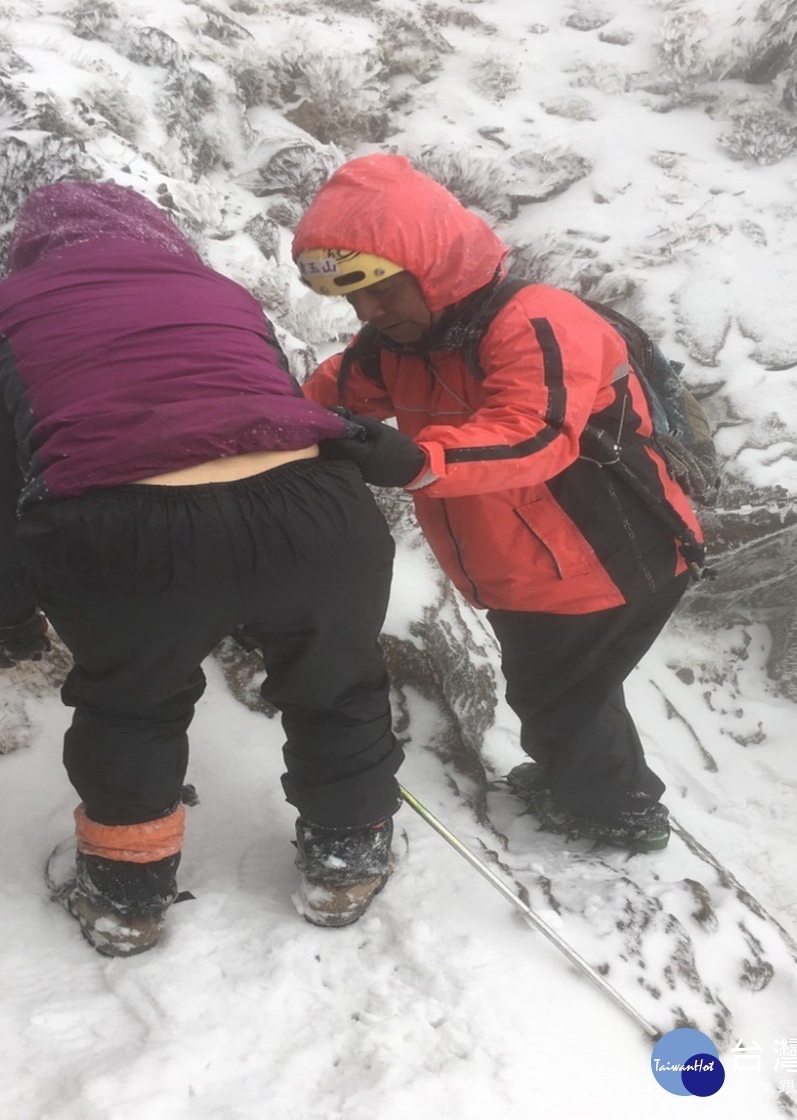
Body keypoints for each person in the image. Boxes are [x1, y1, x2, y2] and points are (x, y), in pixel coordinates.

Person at [0, 181, 403, 955]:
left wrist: (3, 615)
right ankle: (346, 864)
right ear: (155, 233)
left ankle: (127, 898)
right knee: (337, 684)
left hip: (123, 532)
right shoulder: (214, 288)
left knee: (131, 709)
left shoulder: (0, 312)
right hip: (315, 508)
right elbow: (261, 401)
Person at [292, 153, 703, 853]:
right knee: (571, 693)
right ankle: (603, 789)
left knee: (560, 702)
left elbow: (537, 432)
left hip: (604, 562)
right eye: (354, 298)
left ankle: (617, 814)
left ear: (429, 266)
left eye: (382, 289)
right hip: (534, 570)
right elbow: (326, 393)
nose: (368, 312)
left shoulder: (538, 320)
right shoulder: (401, 344)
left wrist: (418, 460)